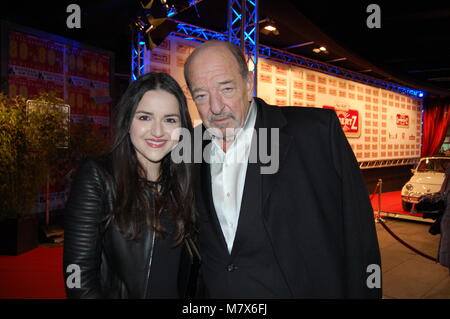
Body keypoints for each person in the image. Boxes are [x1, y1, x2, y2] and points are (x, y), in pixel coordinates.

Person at [184, 40, 382, 298]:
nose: (216, 106)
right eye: (201, 95)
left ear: (248, 83)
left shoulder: (316, 133)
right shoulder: (189, 148)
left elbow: (359, 238)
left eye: (227, 88)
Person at [63, 72, 199, 298]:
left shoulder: (185, 182)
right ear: (128, 121)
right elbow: (76, 274)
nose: (157, 131)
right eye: (145, 117)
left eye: (170, 120)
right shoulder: (98, 177)